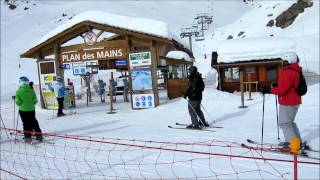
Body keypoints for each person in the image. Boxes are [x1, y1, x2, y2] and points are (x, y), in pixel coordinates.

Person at [262, 52, 307, 149]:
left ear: (289, 61)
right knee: (290, 122)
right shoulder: (295, 70)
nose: (283, 63)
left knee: (284, 123)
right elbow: (288, 86)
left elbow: (281, 91)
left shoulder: (287, 72)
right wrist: (277, 85)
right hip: (294, 101)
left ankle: (294, 146)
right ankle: (297, 142)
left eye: (285, 61)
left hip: (288, 102)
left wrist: (269, 90)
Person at [15, 76, 43, 142]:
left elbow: (18, 102)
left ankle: (28, 137)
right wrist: (30, 103)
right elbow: (35, 101)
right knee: (34, 122)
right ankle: (39, 135)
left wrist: (17, 100)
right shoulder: (31, 90)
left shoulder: (18, 91)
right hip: (31, 109)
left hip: (23, 110)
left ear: (21, 83)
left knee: (26, 123)